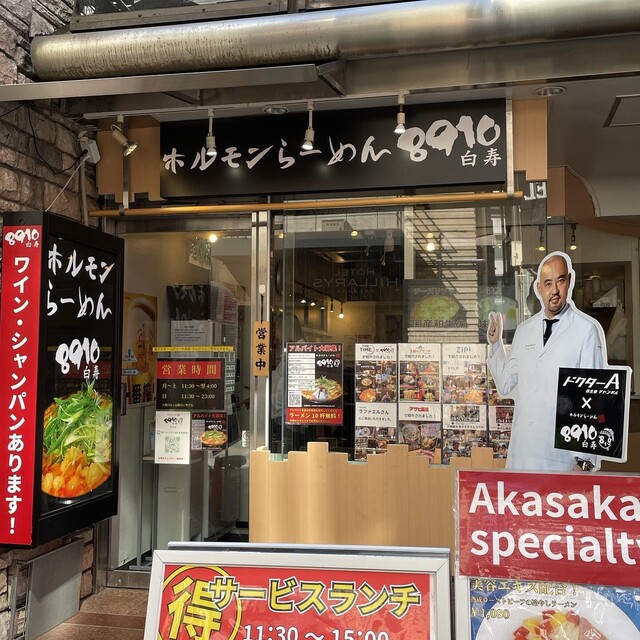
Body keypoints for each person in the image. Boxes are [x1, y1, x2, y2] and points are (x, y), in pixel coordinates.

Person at [487, 251, 607, 472]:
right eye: (548, 283)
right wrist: (496, 345)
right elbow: (505, 383)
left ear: (569, 281)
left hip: (562, 455)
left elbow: (593, 398)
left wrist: (585, 460)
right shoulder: (524, 331)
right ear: (539, 288)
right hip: (524, 451)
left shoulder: (585, 332)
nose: (555, 290)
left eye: (560, 281)